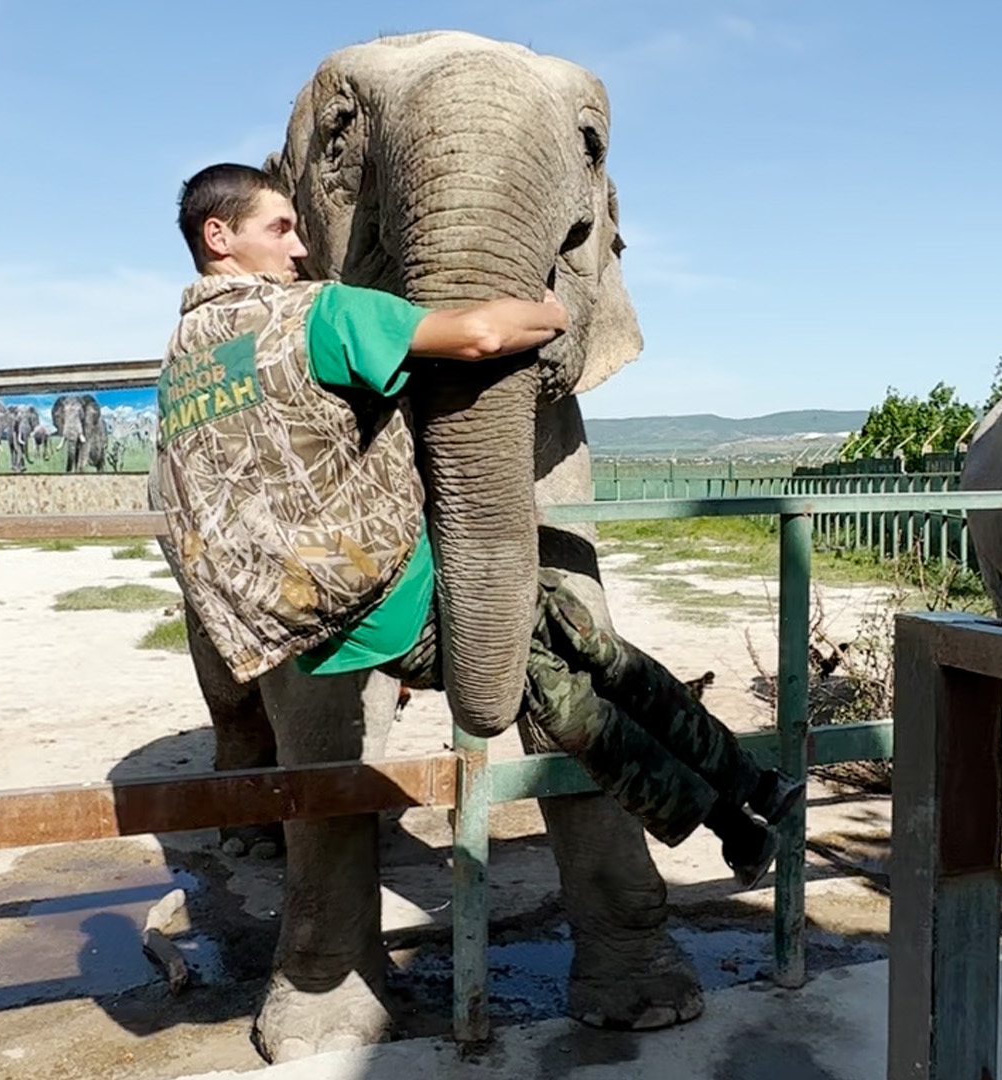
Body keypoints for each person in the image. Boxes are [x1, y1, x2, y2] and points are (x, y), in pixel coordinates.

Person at [153, 161, 801, 886]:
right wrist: (555, 313)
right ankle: (737, 810)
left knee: (578, 639)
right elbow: (482, 336)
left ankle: (744, 801)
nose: (300, 247)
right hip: (397, 594)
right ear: (220, 236)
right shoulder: (316, 313)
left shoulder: (184, 359)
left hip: (310, 625)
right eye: (280, 227)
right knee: (562, 685)